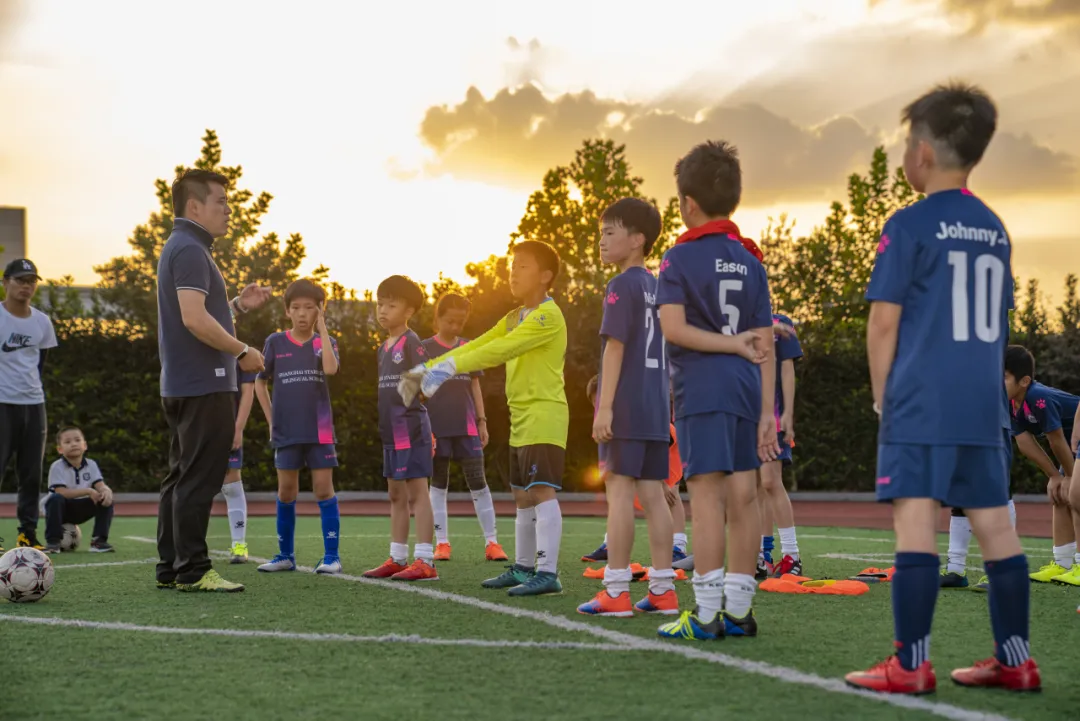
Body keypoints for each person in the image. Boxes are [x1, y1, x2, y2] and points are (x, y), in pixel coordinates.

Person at [845, 82, 1040, 694]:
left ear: (923, 152)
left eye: (906, 141)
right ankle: (1016, 658)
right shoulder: (995, 227)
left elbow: (883, 322)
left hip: (922, 402)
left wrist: (883, 399)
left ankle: (910, 663)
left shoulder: (908, 224)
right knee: (996, 527)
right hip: (983, 404)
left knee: (916, 523)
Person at [655, 140, 778, 641]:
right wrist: (769, 411)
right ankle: (740, 611)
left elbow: (674, 330)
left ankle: (706, 615)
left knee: (706, 497)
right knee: (745, 497)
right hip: (748, 389)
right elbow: (764, 342)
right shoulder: (751, 260)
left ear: (687, 203)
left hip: (703, 388)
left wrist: (725, 345)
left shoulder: (678, 259)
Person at [402, 241, 568, 597]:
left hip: (544, 413)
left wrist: (446, 367)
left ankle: (548, 572)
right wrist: (427, 369)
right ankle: (524, 568)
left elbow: (500, 350)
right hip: (521, 415)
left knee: (541, 492)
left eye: (523, 266)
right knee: (521, 495)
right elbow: (477, 345)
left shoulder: (547, 316)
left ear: (545, 276)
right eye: (512, 265)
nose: (513, 272)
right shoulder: (513, 316)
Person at [156, 168, 271, 593]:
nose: (228, 209)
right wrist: (242, 352)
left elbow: (204, 310)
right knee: (199, 479)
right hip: (205, 382)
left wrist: (237, 304)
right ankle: (192, 570)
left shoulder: (184, 246)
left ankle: (171, 566)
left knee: (181, 476)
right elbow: (193, 318)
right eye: (221, 201)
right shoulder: (189, 248)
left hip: (187, 382)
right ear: (194, 206)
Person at [578, 197, 678, 618]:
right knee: (654, 496)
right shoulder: (660, 286)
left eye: (610, 232)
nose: (601, 241)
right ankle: (662, 590)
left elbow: (615, 349)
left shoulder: (622, 285)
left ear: (638, 240)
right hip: (656, 406)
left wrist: (604, 409)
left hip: (628, 406)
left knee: (619, 494)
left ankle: (616, 589)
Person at [255, 279, 343, 575]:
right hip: (286, 431)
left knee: (322, 489)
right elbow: (259, 380)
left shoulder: (324, 342)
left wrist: (324, 330)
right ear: (287, 311)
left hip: (320, 431)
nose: (302, 313)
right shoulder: (275, 342)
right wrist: (270, 419)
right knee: (286, 491)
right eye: (296, 308)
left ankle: (332, 557)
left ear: (320, 310)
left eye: (309, 307)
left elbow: (331, 370)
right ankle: (285, 555)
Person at [363, 275, 439, 581]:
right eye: (380, 304)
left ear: (408, 310)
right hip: (389, 431)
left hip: (411, 427)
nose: (383, 310)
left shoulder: (411, 341)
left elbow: (427, 381)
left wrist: (412, 390)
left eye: (391, 305)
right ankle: (397, 557)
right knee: (396, 493)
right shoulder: (383, 347)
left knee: (417, 492)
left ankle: (425, 560)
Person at [422, 293, 507, 563]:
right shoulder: (425, 349)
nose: (455, 327)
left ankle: (492, 543)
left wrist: (482, 421)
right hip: (436, 428)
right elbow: (418, 390)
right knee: (438, 485)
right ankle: (442, 543)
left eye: (460, 322)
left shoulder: (470, 346)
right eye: (450, 321)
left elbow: (475, 385)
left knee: (478, 482)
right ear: (437, 318)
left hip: (468, 427)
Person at [582, 377, 688, 568]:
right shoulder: (604, 421)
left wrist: (662, 482)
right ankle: (611, 542)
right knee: (617, 490)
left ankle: (678, 547)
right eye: (595, 403)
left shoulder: (634, 414)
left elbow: (655, 445)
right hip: (645, 446)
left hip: (665, 444)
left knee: (671, 493)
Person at [996, 345, 1078, 586]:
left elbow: (1056, 439)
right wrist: (1055, 476)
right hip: (1073, 444)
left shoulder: (1036, 396)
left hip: (1074, 439)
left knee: (1076, 495)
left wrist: (1071, 477)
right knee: (1059, 496)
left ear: (1024, 381)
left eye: (1004, 377)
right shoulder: (1011, 403)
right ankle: (1062, 563)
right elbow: (1024, 443)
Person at [0, 258, 56, 553]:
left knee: (31, 474)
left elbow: (40, 365)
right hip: (2, 405)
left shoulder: (42, 322)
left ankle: (28, 534)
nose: (26, 286)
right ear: (5, 281)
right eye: (20, 280)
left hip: (34, 406)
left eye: (31, 281)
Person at [762, 312, 803, 578]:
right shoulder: (737, 324)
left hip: (772, 416)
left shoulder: (779, 322)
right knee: (753, 487)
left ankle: (792, 556)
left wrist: (788, 412)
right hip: (745, 416)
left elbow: (787, 369)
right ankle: (762, 555)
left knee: (770, 480)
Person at [42, 426, 115, 553]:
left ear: (85, 445)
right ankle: (53, 543)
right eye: (68, 442)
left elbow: (100, 485)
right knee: (55, 498)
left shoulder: (91, 464)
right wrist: (88, 491)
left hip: (81, 508)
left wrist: (106, 490)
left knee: (105, 498)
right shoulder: (57, 466)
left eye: (77, 440)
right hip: (61, 510)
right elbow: (61, 492)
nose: (73, 444)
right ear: (60, 449)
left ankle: (99, 541)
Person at [222, 362, 256, 563]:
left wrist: (238, 428)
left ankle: (239, 545)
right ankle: (188, 548)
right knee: (195, 484)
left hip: (228, 426)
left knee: (231, 485)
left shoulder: (240, 353)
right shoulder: (197, 348)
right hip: (200, 427)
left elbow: (248, 391)